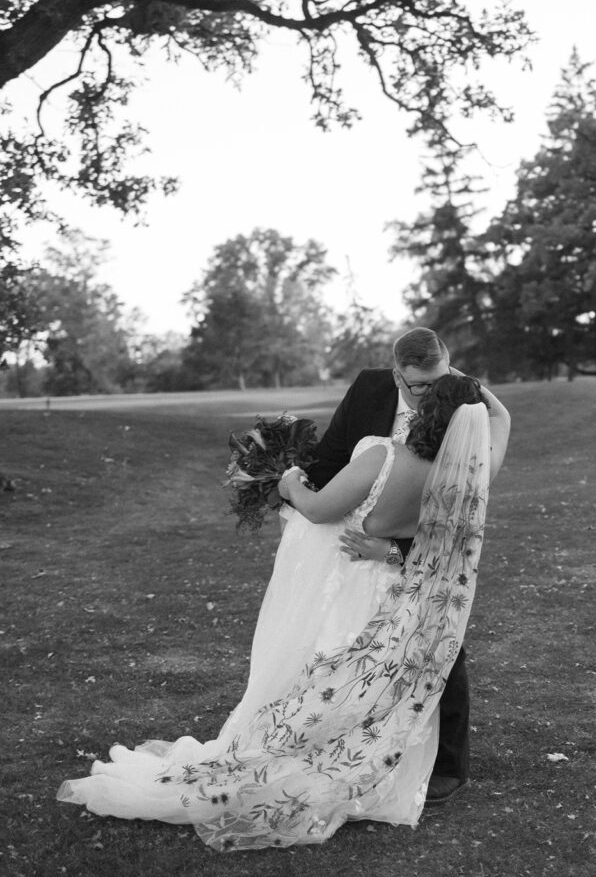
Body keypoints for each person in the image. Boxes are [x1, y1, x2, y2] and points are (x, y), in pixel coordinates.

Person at [57, 374, 508, 852]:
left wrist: (291, 481)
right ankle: (377, 763)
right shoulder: (474, 468)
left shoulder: (387, 454)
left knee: (330, 667)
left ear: (424, 411)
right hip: (407, 592)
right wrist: (469, 388)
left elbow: (316, 509)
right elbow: (500, 419)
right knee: (381, 684)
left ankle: (302, 753)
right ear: (470, 421)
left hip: (356, 579)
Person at [307, 326, 511, 804]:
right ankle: (348, 744)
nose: (424, 394)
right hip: (360, 540)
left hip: (423, 553)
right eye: (414, 383)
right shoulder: (370, 388)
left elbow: (452, 537)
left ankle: (447, 765)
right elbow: (332, 456)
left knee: (442, 649)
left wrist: (391, 550)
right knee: (353, 646)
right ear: (396, 372)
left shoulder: (467, 428)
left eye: (437, 382)